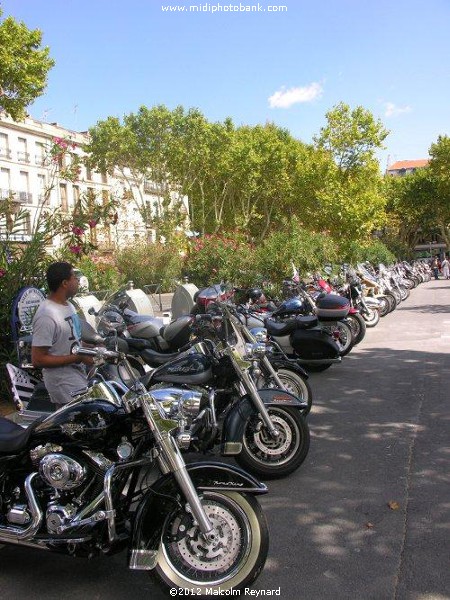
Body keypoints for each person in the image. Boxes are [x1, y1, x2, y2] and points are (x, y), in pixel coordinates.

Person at [31, 261, 91, 409]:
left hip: (77, 378)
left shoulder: (68, 306)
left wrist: (91, 349)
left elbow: (71, 341)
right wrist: (78, 357)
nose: (77, 280)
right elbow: (38, 359)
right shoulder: (46, 315)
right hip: (63, 385)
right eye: (74, 277)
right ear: (64, 283)